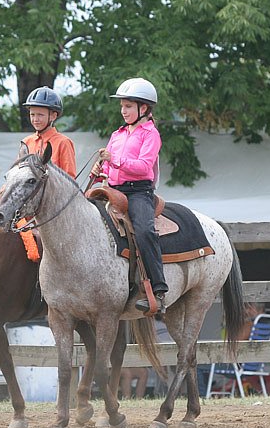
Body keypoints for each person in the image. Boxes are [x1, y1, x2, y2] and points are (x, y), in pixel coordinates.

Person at [91, 77, 166, 315]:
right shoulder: (118, 134)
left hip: (138, 192)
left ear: (143, 108)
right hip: (112, 188)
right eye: (122, 106)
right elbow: (112, 167)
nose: (123, 111)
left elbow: (144, 167)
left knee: (144, 230)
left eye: (128, 106)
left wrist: (115, 160)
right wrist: (101, 169)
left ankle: (158, 290)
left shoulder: (150, 134)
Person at [21, 86, 76, 179]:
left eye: (40, 115)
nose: (35, 119)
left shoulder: (63, 142)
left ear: (53, 116)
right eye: (32, 115)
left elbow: (69, 179)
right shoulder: (26, 142)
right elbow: (18, 173)